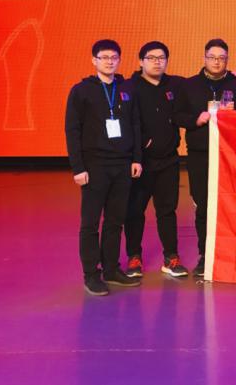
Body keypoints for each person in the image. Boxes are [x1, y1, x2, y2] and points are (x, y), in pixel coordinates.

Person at [64, 40, 143, 296]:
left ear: (119, 60)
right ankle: (91, 274)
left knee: (115, 221)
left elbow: (135, 124)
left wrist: (136, 158)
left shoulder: (126, 88)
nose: (109, 61)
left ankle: (111, 269)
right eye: (104, 57)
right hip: (94, 166)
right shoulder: (81, 91)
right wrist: (78, 167)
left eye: (114, 57)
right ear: (94, 60)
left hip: (122, 165)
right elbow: (72, 130)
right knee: (90, 223)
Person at [175, 39, 236, 279]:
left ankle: (232, 254)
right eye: (212, 57)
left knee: (232, 206)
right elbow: (177, 116)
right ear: (204, 58)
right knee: (203, 206)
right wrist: (196, 119)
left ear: (227, 60)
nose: (216, 62)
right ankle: (206, 256)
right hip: (200, 155)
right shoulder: (189, 85)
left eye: (221, 58)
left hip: (230, 155)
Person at [121, 41, 188, 280]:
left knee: (167, 211)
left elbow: (202, 82)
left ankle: (171, 258)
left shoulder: (175, 84)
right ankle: (134, 257)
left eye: (161, 58)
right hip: (140, 163)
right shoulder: (129, 87)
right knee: (134, 211)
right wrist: (139, 149)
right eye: (151, 58)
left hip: (169, 161)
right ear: (141, 61)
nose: (157, 62)